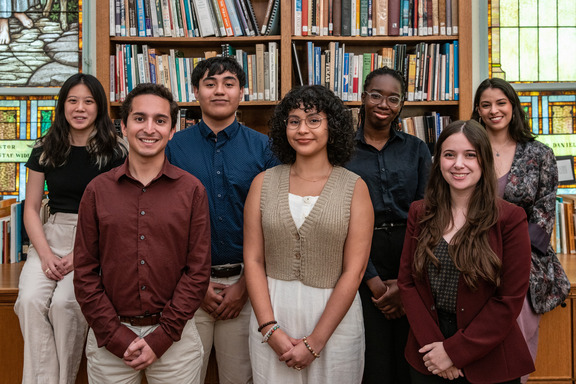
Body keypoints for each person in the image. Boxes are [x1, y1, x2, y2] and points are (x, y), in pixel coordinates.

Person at [73, 83, 211, 383]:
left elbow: (198, 272)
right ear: (123, 126)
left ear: (172, 130)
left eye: (160, 120)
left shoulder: (192, 191)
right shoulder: (97, 191)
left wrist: (161, 338)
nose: (149, 128)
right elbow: (84, 272)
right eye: (139, 118)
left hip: (176, 339)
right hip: (110, 340)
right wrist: (115, 336)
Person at [244, 85, 373, 383]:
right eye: (294, 121)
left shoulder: (354, 187)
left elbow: (355, 272)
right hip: (273, 313)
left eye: (314, 120)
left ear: (333, 126)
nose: (303, 129)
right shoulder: (262, 184)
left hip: (334, 322)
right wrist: (269, 329)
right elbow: (252, 259)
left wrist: (315, 341)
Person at [165, 56, 278, 384]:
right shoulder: (172, 148)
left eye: (229, 84)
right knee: (182, 378)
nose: (219, 91)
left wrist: (245, 287)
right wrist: (195, 285)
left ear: (242, 92)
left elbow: (274, 221)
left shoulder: (264, 148)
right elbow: (164, 223)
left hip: (246, 287)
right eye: (210, 84)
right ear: (195, 91)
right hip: (186, 286)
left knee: (239, 378)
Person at [398, 120, 535, 383]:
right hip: (427, 352)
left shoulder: (510, 218)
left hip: (489, 356)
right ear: (438, 162)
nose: (458, 164)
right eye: (450, 155)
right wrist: (435, 349)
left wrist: (453, 352)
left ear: (483, 160)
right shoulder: (420, 212)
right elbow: (407, 283)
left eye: (470, 155)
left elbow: (508, 300)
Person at [14, 73, 127, 384]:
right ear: (62, 106)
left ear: (99, 107)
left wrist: (81, 255)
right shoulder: (45, 148)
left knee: (65, 305)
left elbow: (120, 212)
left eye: (88, 101)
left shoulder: (116, 151)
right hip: (52, 234)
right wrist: (45, 254)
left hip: (97, 238)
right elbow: (32, 210)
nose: (80, 108)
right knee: (29, 301)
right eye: (72, 101)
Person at [345, 66, 432, 383]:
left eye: (393, 98)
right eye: (376, 95)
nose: (383, 104)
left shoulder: (417, 149)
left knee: (414, 362)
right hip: (360, 264)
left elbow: (428, 216)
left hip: (415, 263)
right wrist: (376, 283)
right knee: (374, 364)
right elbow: (341, 220)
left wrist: (404, 282)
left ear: (402, 104)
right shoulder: (341, 152)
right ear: (363, 97)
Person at [471, 78, 559, 382]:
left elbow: (545, 212)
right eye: (486, 104)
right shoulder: (468, 148)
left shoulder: (539, 154)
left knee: (517, 346)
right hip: (470, 260)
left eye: (501, 103)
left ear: (513, 107)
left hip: (523, 264)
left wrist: (508, 252)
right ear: (478, 111)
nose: (494, 110)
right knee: (474, 343)